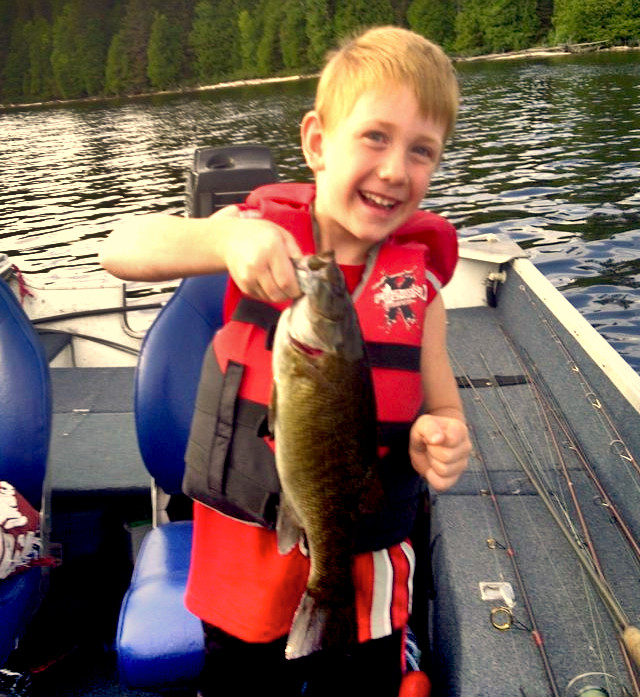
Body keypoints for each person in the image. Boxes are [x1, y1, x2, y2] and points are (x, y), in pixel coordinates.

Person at [100, 25, 471, 697]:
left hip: (367, 568)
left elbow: (440, 408)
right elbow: (120, 247)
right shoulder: (258, 240)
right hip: (243, 562)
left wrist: (436, 435)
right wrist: (223, 235)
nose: (395, 169)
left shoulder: (422, 295)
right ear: (317, 144)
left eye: (423, 152)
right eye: (375, 137)